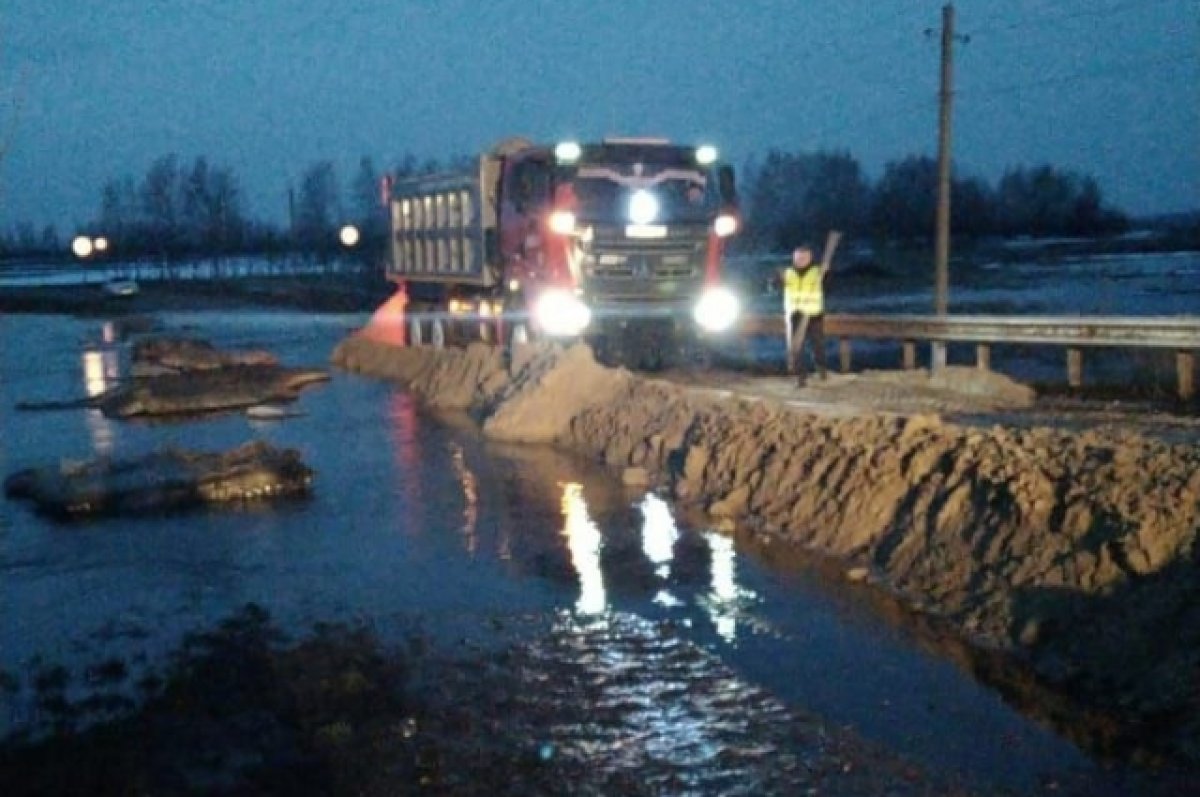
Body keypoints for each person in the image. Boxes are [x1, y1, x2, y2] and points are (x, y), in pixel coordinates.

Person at [782, 240, 835, 386]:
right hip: (796, 314)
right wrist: (774, 282)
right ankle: (801, 377)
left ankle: (821, 369)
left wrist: (827, 273)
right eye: (797, 258)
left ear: (809, 258)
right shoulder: (788, 273)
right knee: (797, 348)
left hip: (813, 314)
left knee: (817, 345)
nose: (800, 261)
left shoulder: (818, 272)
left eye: (803, 258)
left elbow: (830, 287)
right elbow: (774, 286)